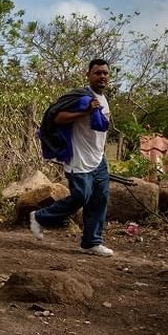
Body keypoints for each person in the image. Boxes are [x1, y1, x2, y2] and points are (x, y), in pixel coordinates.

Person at [30, 59, 114, 257]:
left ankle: (91, 242)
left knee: (99, 199)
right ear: (88, 75)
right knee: (81, 196)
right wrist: (85, 111)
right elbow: (57, 117)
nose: (102, 76)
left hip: (98, 158)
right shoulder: (81, 97)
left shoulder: (103, 98)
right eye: (97, 73)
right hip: (78, 157)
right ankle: (40, 217)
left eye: (105, 73)